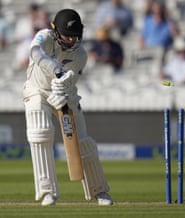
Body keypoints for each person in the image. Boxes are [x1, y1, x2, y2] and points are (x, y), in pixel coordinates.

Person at [23, 9, 112, 206]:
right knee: (40, 132)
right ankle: (48, 192)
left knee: (83, 142)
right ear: (56, 31)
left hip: (66, 94)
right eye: (67, 35)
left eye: (75, 35)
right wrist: (56, 70)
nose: (71, 39)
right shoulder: (44, 36)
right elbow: (35, 52)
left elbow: (71, 79)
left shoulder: (81, 54)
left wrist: (63, 88)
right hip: (37, 89)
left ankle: (99, 191)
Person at [14, 3, 50, 70]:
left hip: (39, 46)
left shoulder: (41, 22)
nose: (32, 13)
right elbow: (18, 38)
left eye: (33, 11)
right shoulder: (23, 23)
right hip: (26, 45)